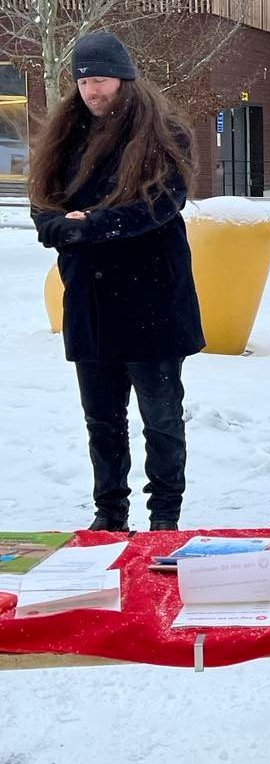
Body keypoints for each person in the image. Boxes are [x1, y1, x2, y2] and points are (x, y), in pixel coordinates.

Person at [27, 31, 204, 533]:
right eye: (82, 81)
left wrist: (91, 225)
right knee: (101, 420)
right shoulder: (66, 136)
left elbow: (161, 204)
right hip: (91, 304)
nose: (90, 91)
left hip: (152, 301)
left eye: (99, 80)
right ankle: (109, 513)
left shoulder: (162, 131)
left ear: (124, 80)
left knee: (161, 420)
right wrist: (59, 226)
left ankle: (164, 516)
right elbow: (44, 204)